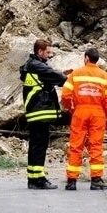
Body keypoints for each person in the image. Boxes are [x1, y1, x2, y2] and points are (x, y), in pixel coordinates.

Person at [61, 47, 107, 191]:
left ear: (86, 58)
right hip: (98, 114)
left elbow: (65, 95)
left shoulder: (75, 74)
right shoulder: (105, 76)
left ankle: (72, 180)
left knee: (76, 145)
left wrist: (73, 109)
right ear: (97, 60)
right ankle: (96, 179)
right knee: (96, 146)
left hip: (80, 112)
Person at [21, 38, 68, 190]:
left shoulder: (31, 66)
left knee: (36, 145)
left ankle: (33, 178)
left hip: (35, 111)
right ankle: (39, 179)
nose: (50, 55)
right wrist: (66, 76)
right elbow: (57, 77)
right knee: (40, 146)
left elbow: (53, 79)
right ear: (39, 52)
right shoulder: (36, 65)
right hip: (39, 111)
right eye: (48, 52)